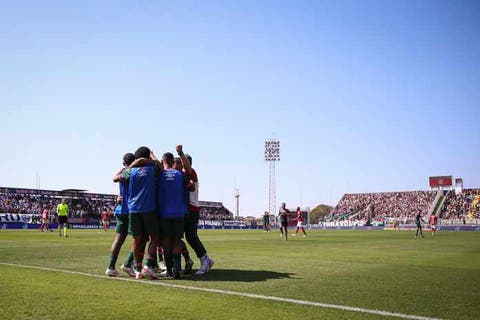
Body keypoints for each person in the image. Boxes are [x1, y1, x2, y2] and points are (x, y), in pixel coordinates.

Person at [124, 146, 160, 280]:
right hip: (148, 208)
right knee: (154, 238)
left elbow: (122, 176)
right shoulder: (152, 169)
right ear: (147, 157)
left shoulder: (131, 171)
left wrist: (135, 163)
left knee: (137, 239)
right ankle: (147, 267)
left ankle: (137, 270)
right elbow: (159, 165)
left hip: (133, 209)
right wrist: (152, 157)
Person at [156, 147, 191, 279]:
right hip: (178, 212)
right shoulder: (180, 174)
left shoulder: (159, 175)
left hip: (164, 213)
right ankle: (177, 268)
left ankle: (169, 269)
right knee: (176, 241)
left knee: (165, 242)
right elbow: (190, 183)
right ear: (172, 161)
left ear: (163, 161)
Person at [180, 152, 214, 275]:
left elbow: (189, 185)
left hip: (192, 209)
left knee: (190, 236)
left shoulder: (191, 172)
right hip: (188, 209)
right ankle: (203, 260)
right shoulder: (185, 174)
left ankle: (205, 260)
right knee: (184, 236)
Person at [105, 152, 136, 277]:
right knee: (141, 238)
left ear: (124, 163)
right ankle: (128, 264)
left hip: (121, 209)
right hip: (132, 209)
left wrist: (123, 167)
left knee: (118, 240)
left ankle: (111, 267)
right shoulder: (132, 172)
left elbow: (114, 178)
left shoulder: (123, 172)